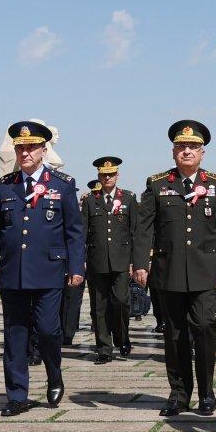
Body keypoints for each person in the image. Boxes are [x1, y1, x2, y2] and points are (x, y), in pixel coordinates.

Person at [0, 121, 85, 417]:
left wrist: (76, 266)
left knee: (50, 330)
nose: (24, 153)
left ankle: (54, 374)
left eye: (30, 147)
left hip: (50, 271)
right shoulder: (4, 187)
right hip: (13, 273)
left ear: (43, 150)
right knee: (15, 335)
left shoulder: (62, 185)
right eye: (20, 148)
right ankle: (17, 395)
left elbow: (74, 231)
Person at [134, 121, 216, 416]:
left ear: (202, 153)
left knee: (204, 328)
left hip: (205, 273)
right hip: (169, 272)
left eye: (192, 147)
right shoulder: (158, 184)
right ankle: (179, 393)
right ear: (173, 152)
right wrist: (140, 263)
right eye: (181, 147)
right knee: (174, 334)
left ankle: (206, 392)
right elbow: (143, 229)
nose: (186, 151)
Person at [82, 156, 138, 363]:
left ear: (117, 175)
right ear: (99, 176)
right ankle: (104, 349)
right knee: (100, 306)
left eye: (111, 174)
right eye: (104, 175)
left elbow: (135, 232)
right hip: (97, 260)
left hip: (122, 260)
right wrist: (82, 258)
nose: (107, 178)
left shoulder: (128, 198)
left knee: (122, 301)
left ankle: (122, 338)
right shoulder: (90, 199)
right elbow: (83, 232)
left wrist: (135, 261)